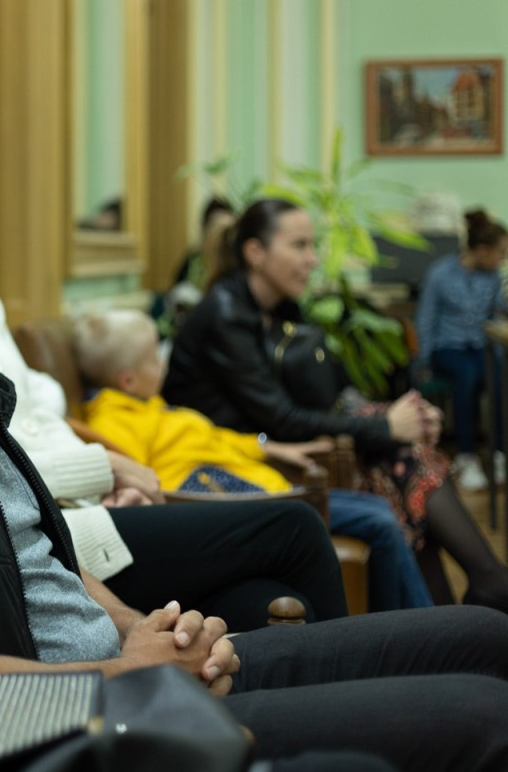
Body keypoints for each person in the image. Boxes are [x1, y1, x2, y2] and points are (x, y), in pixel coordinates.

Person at [0, 108, 508, 772]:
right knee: (483, 715)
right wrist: (127, 674)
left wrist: (146, 633)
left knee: (483, 633)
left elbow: (41, 555)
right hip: (73, 723)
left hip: (126, 675)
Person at [0, 82, 349, 629]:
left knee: (263, 598)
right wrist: (101, 472)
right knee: (294, 529)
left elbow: (24, 422)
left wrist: (113, 470)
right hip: (61, 518)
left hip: (75, 502)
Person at [164, 197, 508, 613]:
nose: (312, 259)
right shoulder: (225, 313)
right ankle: (477, 592)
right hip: (234, 462)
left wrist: (399, 417)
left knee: (401, 457)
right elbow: (281, 418)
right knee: (398, 456)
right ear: (256, 252)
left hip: (273, 445)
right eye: (299, 246)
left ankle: (454, 613)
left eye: (312, 245)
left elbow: (327, 394)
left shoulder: (275, 307)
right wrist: (386, 426)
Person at [77, 309, 433, 611]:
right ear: (128, 380)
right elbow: (137, 478)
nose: (162, 363)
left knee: (379, 508)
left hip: (261, 487)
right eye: (153, 359)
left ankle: (417, 626)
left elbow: (217, 439)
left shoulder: (150, 406)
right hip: (228, 502)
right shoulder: (113, 421)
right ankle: (412, 633)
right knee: (379, 522)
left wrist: (271, 448)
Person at [415, 208, 508, 490]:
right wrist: (423, 361)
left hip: (480, 346)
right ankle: (467, 456)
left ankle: (498, 453)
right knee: (466, 376)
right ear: (482, 250)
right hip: (447, 348)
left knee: (498, 376)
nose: (503, 259)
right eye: (501, 253)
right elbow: (425, 320)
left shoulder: (494, 277)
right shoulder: (440, 274)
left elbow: (499, 312)